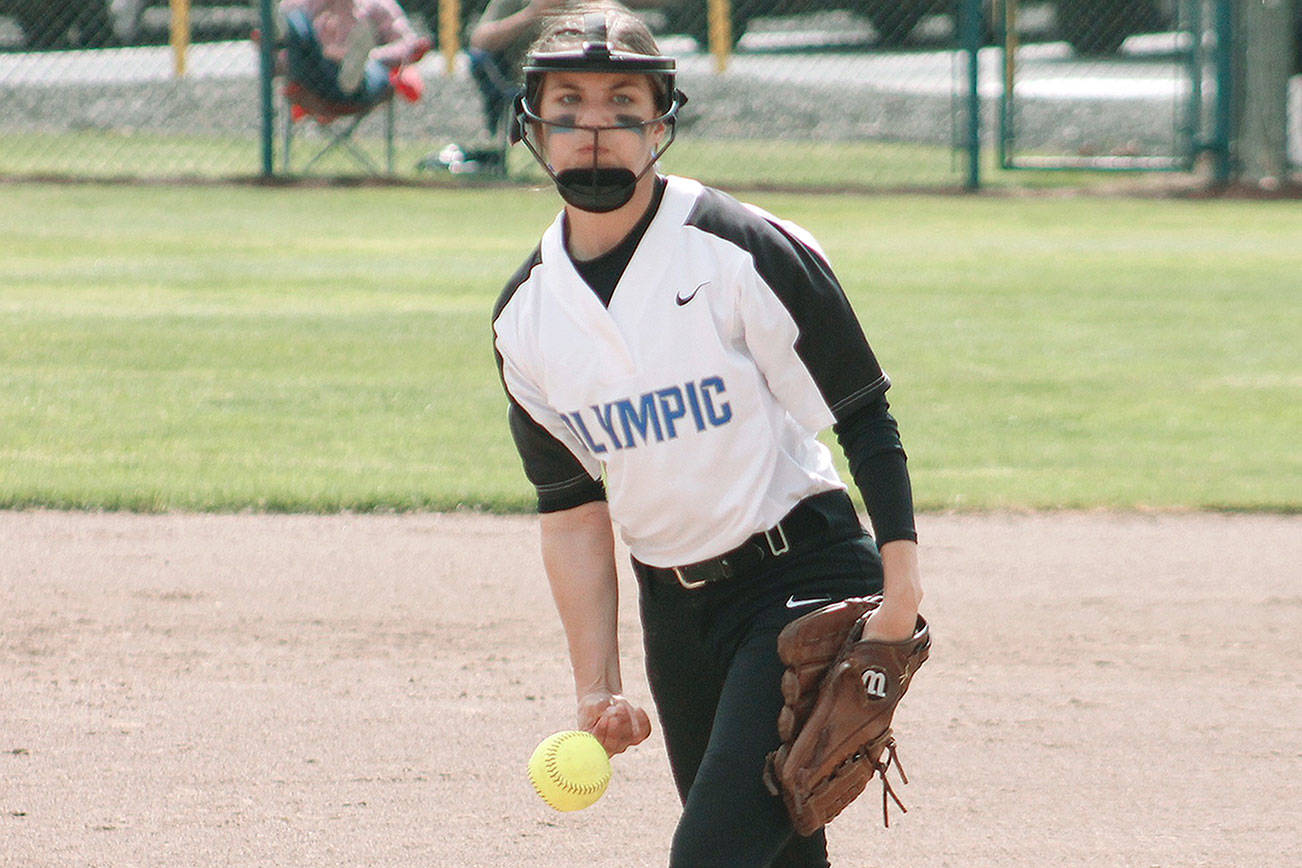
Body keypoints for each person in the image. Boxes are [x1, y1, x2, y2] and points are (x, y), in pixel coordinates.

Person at [490, 4, 923, 865]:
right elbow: (573, 511)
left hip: (804, 582)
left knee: (711, 856)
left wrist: (900, 601)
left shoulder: (740, 250)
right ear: (532, 124)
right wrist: (598, 688)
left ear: (661, 122)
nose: (595, 129)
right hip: (676, 616)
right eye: (568, 104)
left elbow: (864, 415)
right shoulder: (527, 318)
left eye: (623, 104)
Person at [278, 0, 431, 108]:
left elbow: (408, 42)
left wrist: (372, 56)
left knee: (374, 69)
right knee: (297, 24)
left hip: (362, 75)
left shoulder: (375, 4)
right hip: (316, 75)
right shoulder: (304, 5)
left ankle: (354, 72)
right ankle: (279, 30)